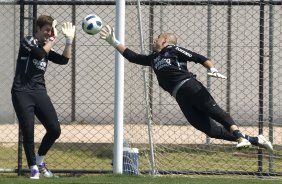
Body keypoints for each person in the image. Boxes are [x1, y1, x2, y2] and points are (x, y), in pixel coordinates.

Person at [99, 25, 273, 153]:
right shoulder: (153, 58)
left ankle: (241, 137)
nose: (154, 39)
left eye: (158, 37)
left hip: (190, 86)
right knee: (209, 130)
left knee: (215, 112)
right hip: (180, 97)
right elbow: (133, 57)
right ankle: (255, 139)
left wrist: (212, 68)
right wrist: (113, 42)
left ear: (165, 41)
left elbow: (199, 57)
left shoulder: (173, 50)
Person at [11, 15, 75, 179]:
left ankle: (39, 161)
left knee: (54, 129)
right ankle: (33, 168)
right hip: (22, 92)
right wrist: (53, 39)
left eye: (51, 30)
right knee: (28, 130)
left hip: (39, 92)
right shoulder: (28, 41)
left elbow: (63, 60)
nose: (49, 33)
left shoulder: (47, 46)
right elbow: (39, 54)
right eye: (46, 30)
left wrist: (69, 41)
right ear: (38, 29)